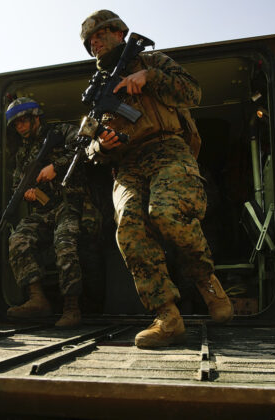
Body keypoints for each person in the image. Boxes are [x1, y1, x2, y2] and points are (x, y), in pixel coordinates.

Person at [80, 10, 233, 348]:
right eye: (90, 41)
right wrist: (101, 146)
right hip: (128, 165)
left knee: (165, 211)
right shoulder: (95, 92)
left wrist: (150, 77)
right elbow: (87, 147)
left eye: (100, 34)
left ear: (120, 33)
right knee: (129, 229)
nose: (95, 43)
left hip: (167, 149)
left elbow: (193, 93)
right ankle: (166, 315)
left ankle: (207, 282)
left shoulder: (151, 60)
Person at [5, 97, 88, 328]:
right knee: (18, 238)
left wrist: (56, 167)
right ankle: (37, 299)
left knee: (64, 243)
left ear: (36, 117)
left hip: (70, 202)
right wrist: (27, 193)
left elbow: (86, 148)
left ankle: (72, 308)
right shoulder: (23, 153)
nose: (20, 127)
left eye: (23, 121)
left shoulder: (61, 132)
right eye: (16, 124)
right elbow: (17, 185)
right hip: (45, 209)